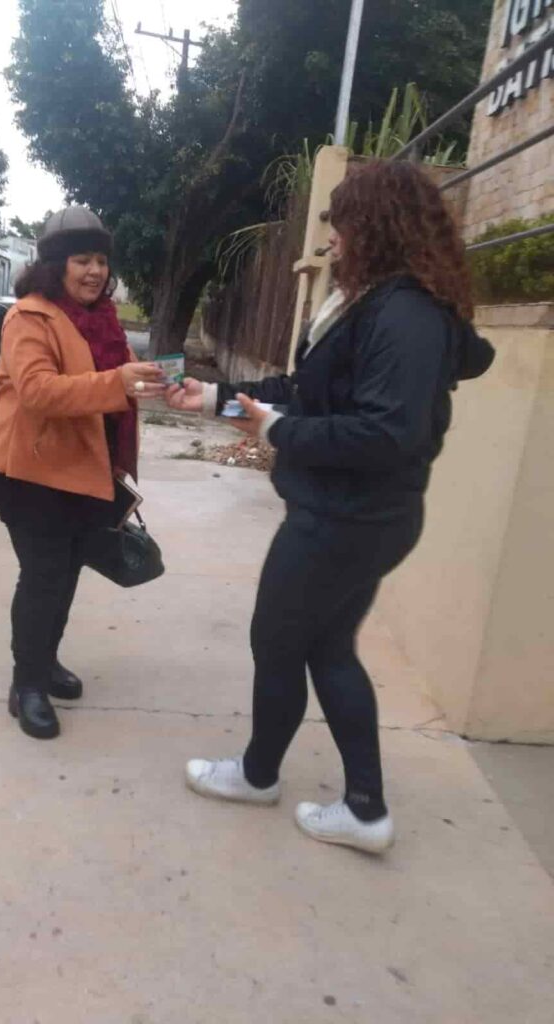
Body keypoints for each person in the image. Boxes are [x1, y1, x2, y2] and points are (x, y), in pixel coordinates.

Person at [166, 160, 495, 853]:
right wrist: (216, 400)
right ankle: (364, 810)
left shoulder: (403, 314)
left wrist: (278, 430)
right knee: (326, 648)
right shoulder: (369, 303)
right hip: (356, 513)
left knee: (279, 640)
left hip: (345, 518)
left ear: (375, 226)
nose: (331, 239)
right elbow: (308, 390)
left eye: (341, 223)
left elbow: (387, 432)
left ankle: (260, 776)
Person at [0, 207, 165, 741]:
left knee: (65, 577)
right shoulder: (30, 317)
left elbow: (117, 382)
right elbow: (37, 392)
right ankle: (26, 684)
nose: (94, 271)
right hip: (32, 476)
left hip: (88, 472)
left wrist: (153, 382)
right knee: (43, 578)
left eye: (101, 260)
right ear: (55, 264)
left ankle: (45, 661)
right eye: (82, 259)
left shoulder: (104, 321)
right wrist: (118, 382)